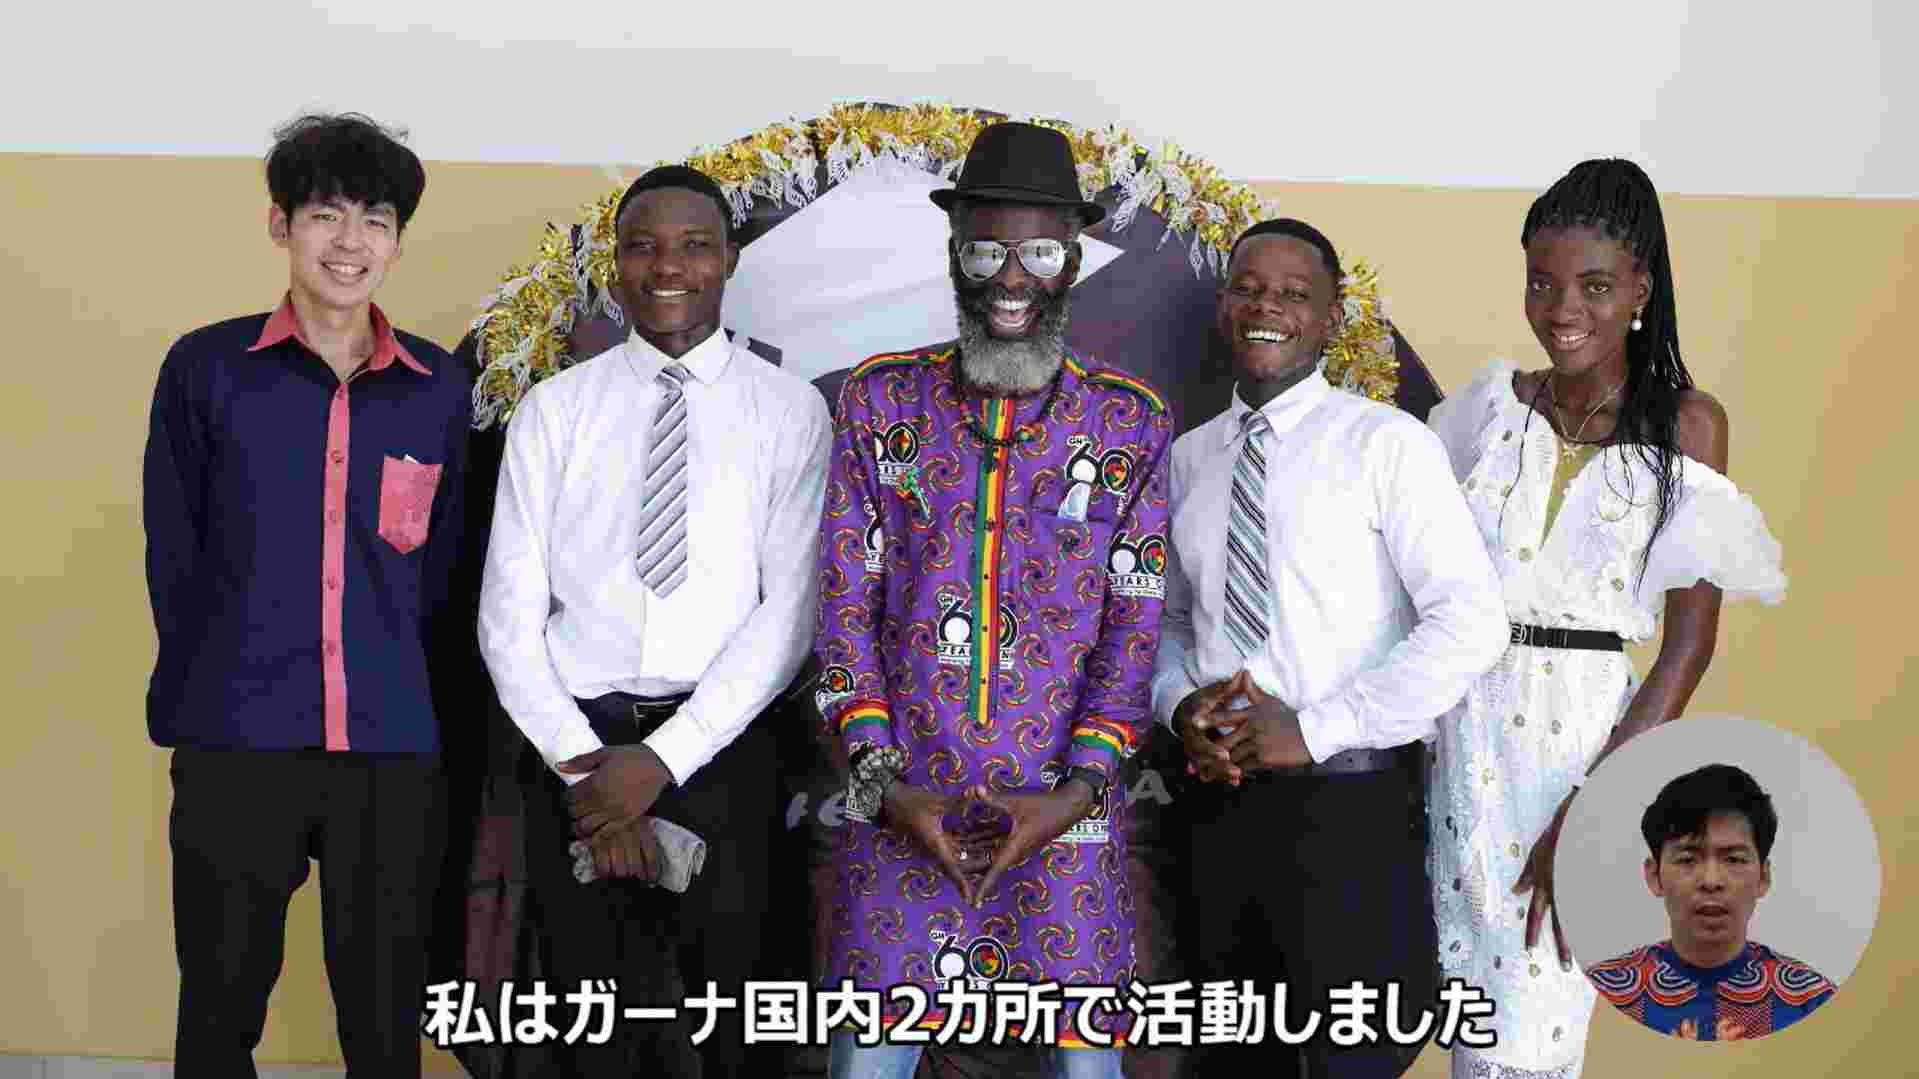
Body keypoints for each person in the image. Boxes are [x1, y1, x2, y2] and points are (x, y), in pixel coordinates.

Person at [814, 121, 1174, 1079]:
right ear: (953, 254)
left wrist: (1073, 793)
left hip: (1063, 816)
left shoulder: (1128, 421)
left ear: (1073, 261)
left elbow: (1133, 631)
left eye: (1039, 254)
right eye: (985, 251)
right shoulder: (879, 401)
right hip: (904, 806)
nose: (1010, 278)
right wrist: (886, 785)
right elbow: (845, 607)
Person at [1425, 159, 1790, 1077]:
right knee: (1469, 1014)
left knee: (1536, 1022)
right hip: (1461, 733)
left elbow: (1687, 644)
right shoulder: (1484, 411)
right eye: (1540, 283)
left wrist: (1596, 807)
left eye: (1592, 286)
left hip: (1578, 743)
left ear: (1639, 289)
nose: (1561, 309)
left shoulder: (1686, 426)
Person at [475, 164, 831, 1077]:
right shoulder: (555, 410)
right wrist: (590, 773)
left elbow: (789, 613)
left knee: (726, 1021)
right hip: (577, 752)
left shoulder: (789, 411)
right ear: (615, 265)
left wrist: (663, 760)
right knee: (593, 1018)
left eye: (694, 246)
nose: (667, 267)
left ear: (730, 259)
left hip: (724, 751)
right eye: (642, 247)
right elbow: (507, 617)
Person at [142, 112, 468, 1077]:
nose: (350, 241)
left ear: (398, 240)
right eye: (326, 214)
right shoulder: (206, 370)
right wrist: (210, 697)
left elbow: (446, 574)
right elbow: (174, 554)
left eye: (375, 219)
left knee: (384, 1019)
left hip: (390, 751)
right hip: (238, 741)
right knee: (219, 1007)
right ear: (280, 225)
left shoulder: (439, 390)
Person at [1152, 216, 1509, 1077]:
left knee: (1355, 1055)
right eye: (1247, 289)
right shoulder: (1189, 459)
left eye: (1292, 293)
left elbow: (1469, 621)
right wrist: (1177, 705)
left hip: (1348, 811)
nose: (1265, 307)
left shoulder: (1387, 444)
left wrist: (1312, 730)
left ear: (1328, 318)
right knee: (1231, 1060)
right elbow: (1168, 622)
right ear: (1223, 306)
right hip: (1216, 811)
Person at [1585, 764, 1836, 1040]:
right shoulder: (1597, 996)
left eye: (1734, 859)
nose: (1711, 880)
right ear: (1654, 876)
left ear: (1763, 877)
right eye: (1687, 859)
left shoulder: (1813, 1002)